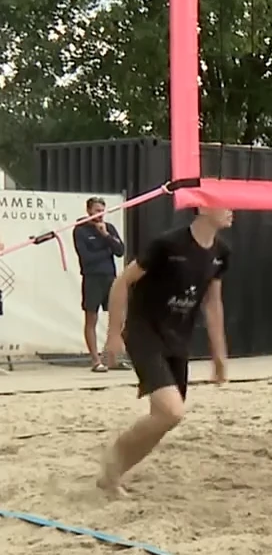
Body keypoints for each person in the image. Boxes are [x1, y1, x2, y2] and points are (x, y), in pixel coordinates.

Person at [97, 204, 233, 497]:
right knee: (172, 412)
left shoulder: (221, 253)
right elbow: (122, 282)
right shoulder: (168, 244)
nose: (232, 210)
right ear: (204, 207)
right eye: (225, 204)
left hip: (176, 339)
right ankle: (111, 461)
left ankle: (111, 477)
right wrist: (113, 335)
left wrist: (219, 354)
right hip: (144, 332)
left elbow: (212, 303)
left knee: (162, 421)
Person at [73, 196, 125, 373]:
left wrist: (106, 236)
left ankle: (111, 357)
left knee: (117, 318)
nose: (100, 214)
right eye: (97, 210)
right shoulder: (80, 230)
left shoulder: (108, 228)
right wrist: (106, 249)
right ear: (88, 211)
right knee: (91, 318)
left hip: (110, 277)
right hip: (92, 277)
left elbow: (120, 251)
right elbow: (86, 258)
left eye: (103, 210)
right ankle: (95, 360)